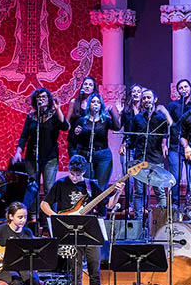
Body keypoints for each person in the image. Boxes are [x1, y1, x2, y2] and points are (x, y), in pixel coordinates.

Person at [41, 156, 124, 285]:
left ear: (84, 172)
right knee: (76, 275)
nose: (74, 177)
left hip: (90, 234)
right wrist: (56, 217)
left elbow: (107, 205)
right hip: (71, 234)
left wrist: (118, 191)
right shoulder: (61, 184)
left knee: (95, 274)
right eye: (72, 173)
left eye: (78, 175)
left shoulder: (91, 185)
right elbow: (44, 204)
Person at [14, 87, 68, 217]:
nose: (41, 99)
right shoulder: (31, 117)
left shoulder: (54, 115)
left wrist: (58, 109)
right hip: (32, 158)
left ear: (48, 99)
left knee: (49, 189)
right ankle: (33, 216)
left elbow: (65, 126)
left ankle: (50, 217)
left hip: (50, 158)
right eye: (39, 97)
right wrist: (18, 151)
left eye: (44, 97)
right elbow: (24, 136)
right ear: (35, 100)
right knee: (32, 188)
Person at [129, 88, 170, 218]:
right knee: (138, 192)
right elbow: (132, 138)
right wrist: (125, 144)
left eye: (149, 97)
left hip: (156, 158)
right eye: (144, 98)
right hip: (140, 158)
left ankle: (160, 220)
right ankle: (138, 221)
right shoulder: (137, 118)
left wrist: (164, 143)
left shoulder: (161, 118)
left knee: (159, 191)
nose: (146, 100)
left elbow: (169, 130)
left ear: (155, 100)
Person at [72, 92, 121, 189]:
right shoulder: (82, 120)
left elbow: (117, 127)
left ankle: (100, 204)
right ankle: (89, 204)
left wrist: (113, 112)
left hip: (103, 156)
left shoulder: (105, 120)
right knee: (87, 186)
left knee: (100, 187)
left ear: (101, 105)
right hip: (85, 155)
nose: (95, 104)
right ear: (89, 104)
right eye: (93, 102)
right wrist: (76, 133)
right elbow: (74, 140)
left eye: (98, 102)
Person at [167, 79, 191, 204]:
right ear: (177, 91)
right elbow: (168, 125)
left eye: (186, 86)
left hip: (190, 146)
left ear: (190, 87)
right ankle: (174, 204)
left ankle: (190, 203)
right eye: (181, 87)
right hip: (175, 146)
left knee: (190, 177)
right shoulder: (173, 106)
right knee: (175, 177)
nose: (184, 89)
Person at [66, 76, 99, 156]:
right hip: (75, 142)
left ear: (94, 88)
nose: (87, 86)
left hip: (89, 143)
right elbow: (67, 122)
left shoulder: (96, 104)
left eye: (90, 85)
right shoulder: (74, 102)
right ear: (82, 86)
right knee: (76, 166)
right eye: (85, 84)